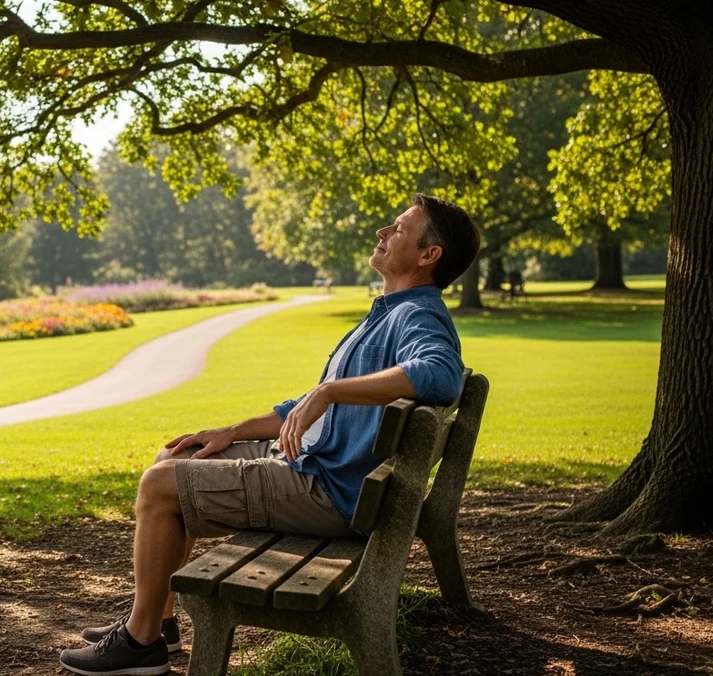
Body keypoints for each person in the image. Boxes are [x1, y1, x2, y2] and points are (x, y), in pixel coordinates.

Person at [58, 194, 482, 676]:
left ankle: (139, 645)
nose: (383, 233)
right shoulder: (390, 311)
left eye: (399, 229)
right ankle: (158, 622)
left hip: (331, 492)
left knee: (159, 487)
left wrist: (329, 391)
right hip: (324, 467)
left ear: (429, 256)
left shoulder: (416, 315)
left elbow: (442, 373)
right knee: (179, 454)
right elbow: (307, 408)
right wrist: (233, 430)